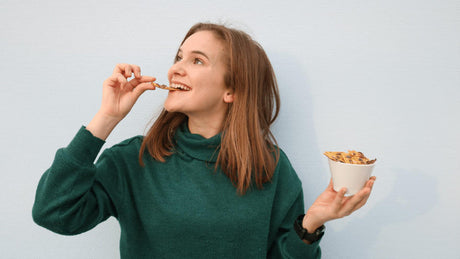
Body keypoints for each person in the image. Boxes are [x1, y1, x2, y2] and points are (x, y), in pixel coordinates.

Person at [32, 23, 376, 258]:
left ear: (232, 90)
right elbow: (53, 213)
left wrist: (310, 225)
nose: (176, 69)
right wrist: (106, 118)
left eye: (197, 60)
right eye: (178, 57)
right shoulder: (133, 160)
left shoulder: (271, 168)